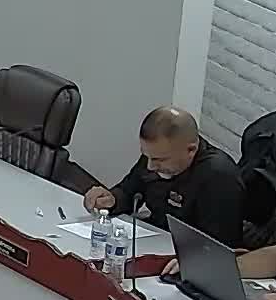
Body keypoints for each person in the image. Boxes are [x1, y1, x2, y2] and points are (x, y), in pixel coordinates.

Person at [83, 107, 246, 249]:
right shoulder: (155, 155)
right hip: (153, 241)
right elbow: (129, 192)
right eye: (147, 156)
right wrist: (111, 200)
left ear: (191, 150)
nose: (150, 166)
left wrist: (190, 259)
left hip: (186, 255)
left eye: (159, 160)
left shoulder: (219, 176)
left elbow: (220, 246)